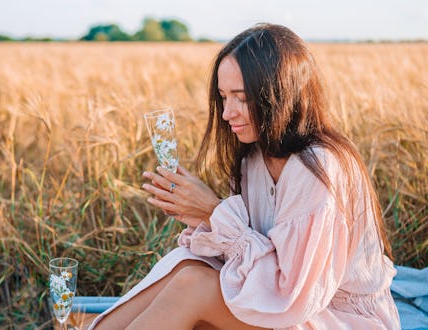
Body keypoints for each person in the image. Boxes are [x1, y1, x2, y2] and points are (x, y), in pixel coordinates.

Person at [90, 23, 400, 329]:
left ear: (280, 94)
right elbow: (244, 260)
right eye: (224, 97)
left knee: (193, 286)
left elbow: (290, 295)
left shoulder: (317, 168)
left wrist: (214, 213)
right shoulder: (253, 159)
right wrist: (200, 217)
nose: (226, 113)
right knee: (185, 265)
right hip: (280, 304)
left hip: (334, 317)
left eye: (241, 97)